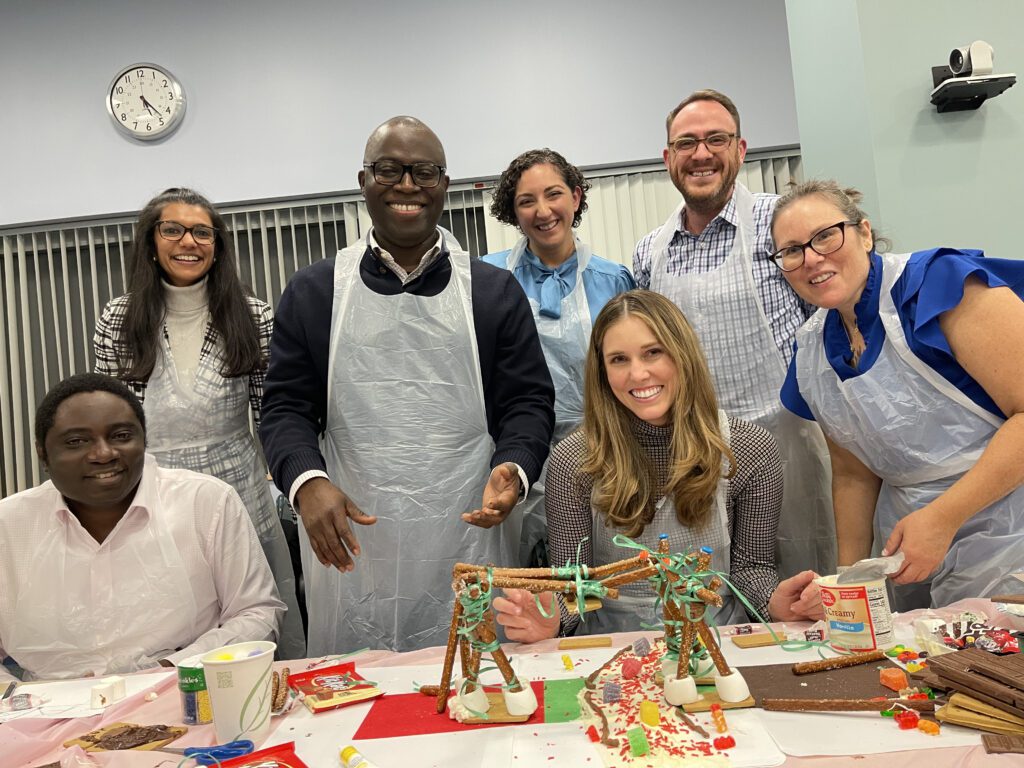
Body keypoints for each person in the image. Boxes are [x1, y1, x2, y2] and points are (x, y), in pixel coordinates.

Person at [260, 116, 555, 654]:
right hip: (352, 540)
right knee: (357, 701)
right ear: (363, 180)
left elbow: (527, 401)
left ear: (443, 184)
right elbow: (284, 409)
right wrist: (306, 482)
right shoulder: (314, 291)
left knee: (479, 683)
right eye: (389, 170)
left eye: (424, 172)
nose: (407, 185)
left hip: (470, 529)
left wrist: (513, 466)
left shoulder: (491, 292)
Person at [494, 290, 823, 641]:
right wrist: (553, 618)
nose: (638, 373)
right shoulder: (574, 461)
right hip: (610, 650)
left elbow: (750, 570)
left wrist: (776, 603)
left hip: (719, 641)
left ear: (682, 355)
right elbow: (576, 583)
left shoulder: (748, 449)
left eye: (653, 352)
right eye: (618, 360)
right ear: (602, 373)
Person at [773, 180, 1024, 610]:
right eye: (792, 250)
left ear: (865, 233)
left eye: (826, 236)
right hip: (909, 536)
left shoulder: (938, 285)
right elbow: (853, 473)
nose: (812, 258)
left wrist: (944, 518)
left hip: (1008, 523)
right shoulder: (812, 349)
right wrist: (846, 584)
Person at [93, 187, 304, 659]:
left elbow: (269, 412)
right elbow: (114, 420)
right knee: (162, 619)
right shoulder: (119, 319)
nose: (188, 242)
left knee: (248, 620)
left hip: (238, 487)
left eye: (202, 232)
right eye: (173, 229)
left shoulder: (253, 316)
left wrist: (286, 485)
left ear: (217, 245)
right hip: (153, 490)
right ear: (152, 241)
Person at [633, 89, 835, 579]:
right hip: (694, 458)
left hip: (788, 446)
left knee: (804, 587)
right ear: (668, 159)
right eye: (686, 143)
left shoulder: (780, 222)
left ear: (741, 150)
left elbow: (837, 313)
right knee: (715, 592)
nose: (701, 154)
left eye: (715, 139)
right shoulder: (648, 253)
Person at [0, 374, 284, 681]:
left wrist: (174, 670)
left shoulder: (205, 503)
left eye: (121, 436)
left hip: (182, 692)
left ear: (144, 441)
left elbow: (257, 613)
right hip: (46, 712)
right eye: (77, 442)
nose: (104, 453)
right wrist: (21, 705)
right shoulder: (10, 525)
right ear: (43, 453)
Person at [482, 148, 635, 565]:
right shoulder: (489, 280)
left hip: (603, 455)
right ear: (513, 213)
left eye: (554, 194)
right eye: (526, 201)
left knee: (603, 574)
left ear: (576, 197)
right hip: (513, 458)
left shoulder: (614, 279)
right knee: (528, 582)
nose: (543, 210)